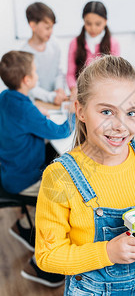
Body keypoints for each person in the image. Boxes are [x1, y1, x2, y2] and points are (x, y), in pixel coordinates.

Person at [35, 55, 135, 295]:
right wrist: (108, 252)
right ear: (80, 111)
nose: (120, 126)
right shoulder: (60, 177)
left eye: (131, 113)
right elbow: (48, 256)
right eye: (106, 112)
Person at [0, 50, 75, 287]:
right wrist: (73, 115)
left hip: (10, 171)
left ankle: (24, 227)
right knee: (66, 198)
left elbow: (21, 120)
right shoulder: (25, 108)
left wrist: (36, 116)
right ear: (27, 80)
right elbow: (61, 131)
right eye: (34, 71)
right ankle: (42, 265)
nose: (37, 74)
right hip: (23, 178)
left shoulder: (6, 97)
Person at [66, 1, 120, 99]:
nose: (93, 28)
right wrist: (74, 89)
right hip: (81, 95)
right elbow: (70, 74)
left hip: (104, 95)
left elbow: (115, 75)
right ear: (83, 21)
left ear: (105, 21)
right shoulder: (74, 43)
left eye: (98, 24)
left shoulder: (113, 44)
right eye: (88, 23)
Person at [22, 2, 68, 105]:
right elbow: (31, 87)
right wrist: (52, 97)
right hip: (37, 103)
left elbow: (58, 73)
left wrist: (59, 89)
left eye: (52, 27)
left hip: (55, 101)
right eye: (47, 28)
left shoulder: (54, 45)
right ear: (33, 26)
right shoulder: (25, 54)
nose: (51, 32)